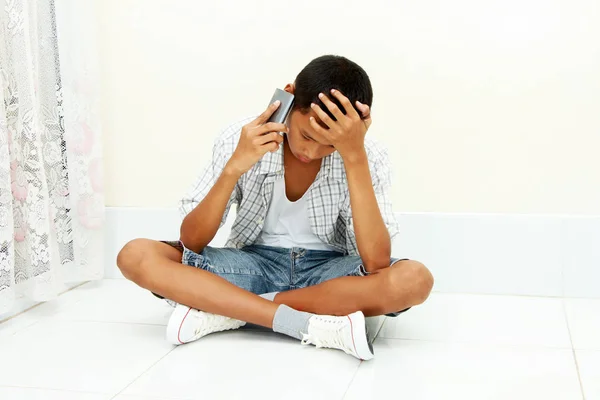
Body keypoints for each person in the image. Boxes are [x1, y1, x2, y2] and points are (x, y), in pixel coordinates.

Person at [117, 55, 434, 361]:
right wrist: (234, 168)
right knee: (136, 255)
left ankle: (231, 311)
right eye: (307, 135)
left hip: (329, 277)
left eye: (331, 145)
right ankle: (305, 324)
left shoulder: (368, 156)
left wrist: (353, 157)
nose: (312, 151)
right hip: (252, 265)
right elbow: (192, 242)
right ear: (290, 98)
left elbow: (376, 262)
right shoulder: (240, 137)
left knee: (414, 280)